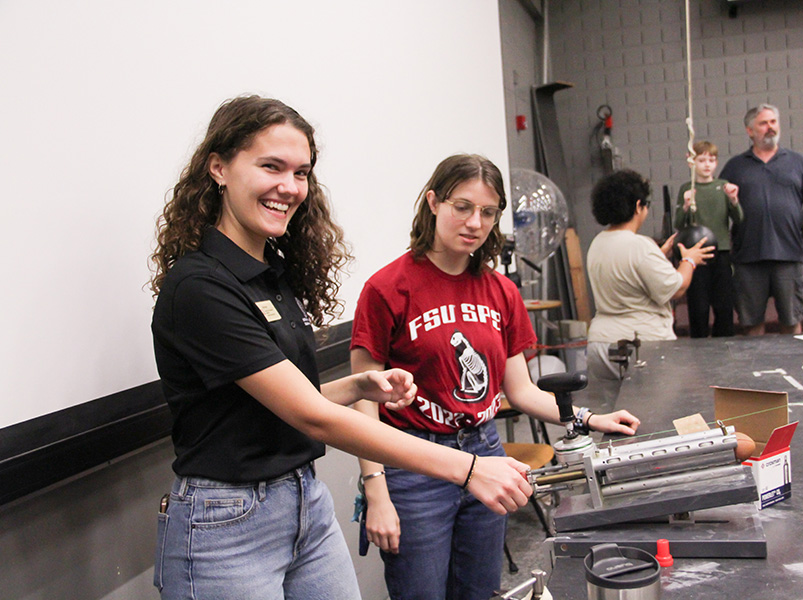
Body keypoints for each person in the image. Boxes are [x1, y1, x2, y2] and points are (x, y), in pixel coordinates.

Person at [149, 97, 534, 600]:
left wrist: (357, 384)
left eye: (301, 172)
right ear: (218, 168)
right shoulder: (200, 287)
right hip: (229, 520)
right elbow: (313, 417)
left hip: (303, 500)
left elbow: (276, 403)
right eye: (271, 166)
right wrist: (467, 469)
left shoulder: (271, 275)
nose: (289, 187)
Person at [350, 154, 641, 600]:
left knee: (479, 591)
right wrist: (377, 491)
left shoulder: (500, 291)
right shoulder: (387, 288)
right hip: (414, 465)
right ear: (433, 202)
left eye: (488, 212)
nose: (475, 222)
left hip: (486, 454)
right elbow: (362, 401)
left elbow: (520, 391)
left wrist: (588, 418)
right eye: (462, 207)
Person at [585, 169, 714, 409]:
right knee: (648, 419)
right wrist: (690, 260)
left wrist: (659, 254)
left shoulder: (598, 242)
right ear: (637, 206)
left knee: (614, 420)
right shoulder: (640, 246)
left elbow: (627, 268)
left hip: (601, 346)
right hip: (640, 348)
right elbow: (676, 287)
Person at [720, 103, 803, 335]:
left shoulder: (797, 162)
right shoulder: (735, 166)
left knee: (791, 320)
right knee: (751, 323)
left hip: (788, 254)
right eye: (763, 123)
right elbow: (720, 207)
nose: (770, 128)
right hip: (748, 256)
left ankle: (794, 369)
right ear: (750, 131)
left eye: (773, 122)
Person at [674, 140, 743, 338]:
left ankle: (725, 346)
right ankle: (699, 347)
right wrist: (686, 206)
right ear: (691, 162)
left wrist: (733, 200)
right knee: (699, 306)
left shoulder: (723, 187)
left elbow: (739, 219)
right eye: (701, 160)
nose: (707, 164)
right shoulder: (687, 189)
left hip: (720, 252)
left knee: (723, 306)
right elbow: (679, 224)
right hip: (697, 255)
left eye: (711, 160)